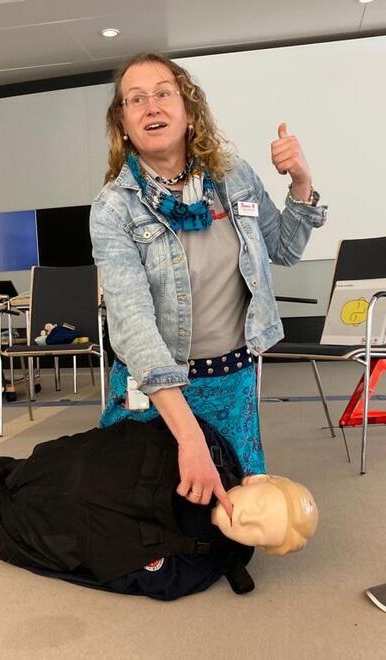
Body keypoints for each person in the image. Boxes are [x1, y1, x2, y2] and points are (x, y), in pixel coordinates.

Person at [90, 52, 327, 518]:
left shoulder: (233, 176)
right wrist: (190, 438)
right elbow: (132, 324)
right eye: (136, 99)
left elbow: (284, 248)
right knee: (144, 527)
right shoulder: (113, 208)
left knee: (239, 524)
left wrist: (302, 181)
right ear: (123, 124)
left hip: (232, 384)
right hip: (156, 394)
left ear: (189, 111)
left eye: (163, 93)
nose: (151, 106)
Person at [0, 419, 318, 600]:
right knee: (21, 468)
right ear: (257, 479)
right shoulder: (213, 450)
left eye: (258, 533)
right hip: (71, 464)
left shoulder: (199, 564)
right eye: (260, 506)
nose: (247, 519)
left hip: (58, 522)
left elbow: (119, 572)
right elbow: (141, 432)